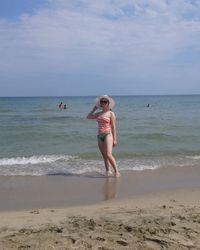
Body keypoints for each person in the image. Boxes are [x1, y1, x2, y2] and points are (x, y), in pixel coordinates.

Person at [86, 95, 120, 177]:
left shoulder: (111, 113)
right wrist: (94, 109)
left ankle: (117, 171)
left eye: (105, 101)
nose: (103, 103)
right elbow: (88, 117)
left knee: (108, 154)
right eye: (102, 102)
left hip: (108, 134)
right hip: (99, 135)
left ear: (108, 103)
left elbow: (114, 127)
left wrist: (115, 139)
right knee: (104, 155)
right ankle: (108, 171)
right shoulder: (99, 113)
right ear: (100, 104)